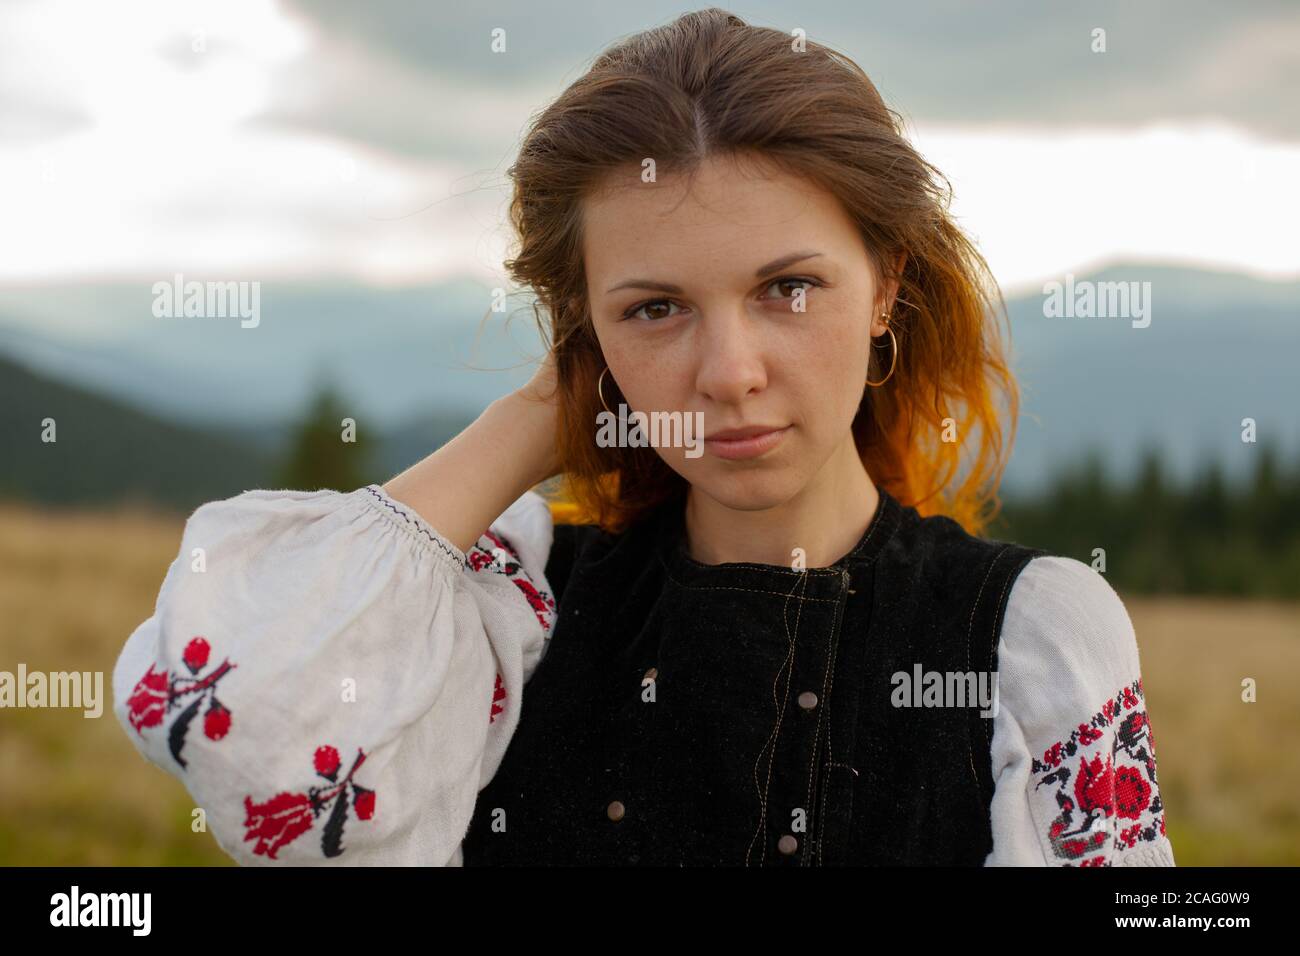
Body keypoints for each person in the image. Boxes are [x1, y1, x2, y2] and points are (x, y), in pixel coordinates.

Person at [111, 8, 1173, 867]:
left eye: (788, 287)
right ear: (584, 335)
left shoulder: (1025, 636)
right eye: (654, 308)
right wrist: (534, 421)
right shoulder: (516, 612)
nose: (728, 373)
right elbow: (232, 721)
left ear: (886, 285)